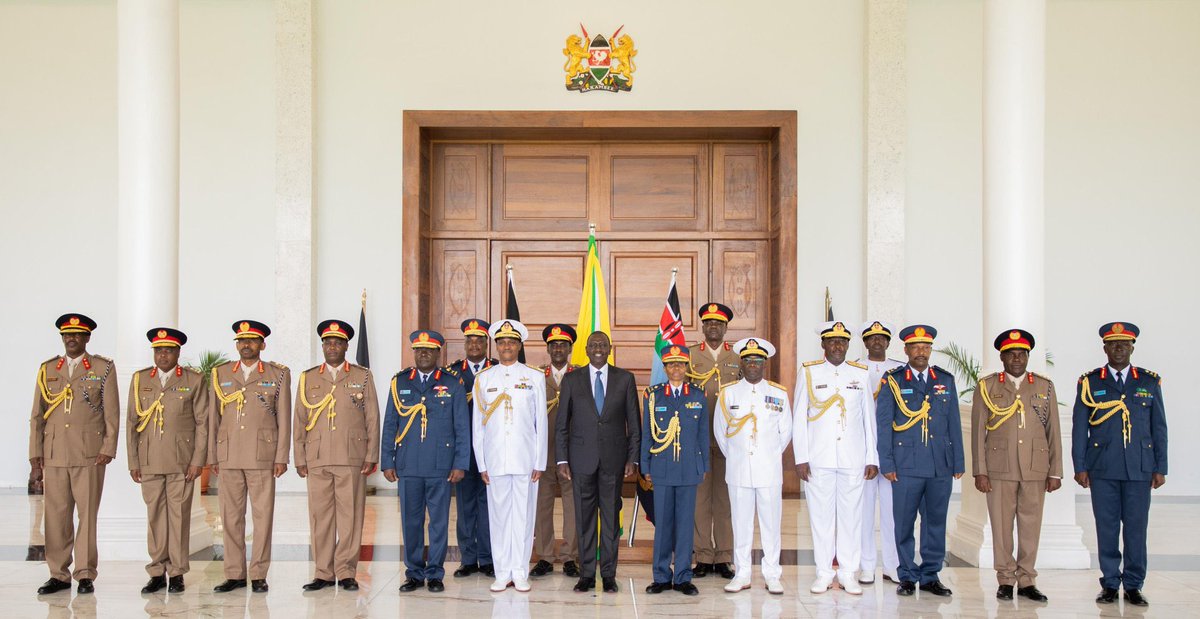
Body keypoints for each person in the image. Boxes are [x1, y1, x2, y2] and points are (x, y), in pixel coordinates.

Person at [1072, 322, 1167, 607]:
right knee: (1107, 526)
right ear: (1105, 348)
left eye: (1124, 344)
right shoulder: (1091, 382)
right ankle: (1111, 582)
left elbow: (1158, 427)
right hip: (1103, 467)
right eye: (1113, 344)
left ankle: (1134, 584)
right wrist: (1080, 465)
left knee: (1137, 528)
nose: (1119, 349)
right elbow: (1080, 428)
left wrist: (1160, 466)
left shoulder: (1148, 382)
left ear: (1132, 347)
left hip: (1139, 467)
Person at [30, 314, 119, 595]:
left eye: (78, 335)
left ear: (87, 338)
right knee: (56, 515)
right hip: (54, 453)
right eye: (67, 335)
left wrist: (108, 447)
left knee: (87, 514)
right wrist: (35, 456)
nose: (72, 339)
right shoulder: (48, 370)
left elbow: (112, 413)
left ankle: (85, 573)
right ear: (62, 338)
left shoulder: (102, 368)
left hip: (90, 454)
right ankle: (58, 574)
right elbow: (37, 416)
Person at [971, 329, 1062, 602]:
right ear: (1002, 356)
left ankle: (1027, 580)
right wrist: (980, 470)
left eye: (1022, 353)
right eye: (1011, 353)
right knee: (1001, 526)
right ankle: (1005, 578)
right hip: (1000, 468)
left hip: (1035, 467)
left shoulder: (1044, 386)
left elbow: (1053, 430)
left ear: (1028, 356)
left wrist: (1055, 470)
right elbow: (978, 433)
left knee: (1030, 525)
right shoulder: (988, 387)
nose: (1017, 359)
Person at [875, 324, 963, 597]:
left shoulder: (945, 380)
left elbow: (954, 422)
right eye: (916, 347)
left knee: (936, 522)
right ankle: (906, 575)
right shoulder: (894, 380)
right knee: (903, 523)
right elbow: (884, 424)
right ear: (906, 350)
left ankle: (930, 575)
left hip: (939, 465)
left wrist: (958, 462)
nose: (921, 352)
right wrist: (887, 463)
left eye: (926, 348)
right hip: (906, 465)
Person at [294, 319, 380, 592]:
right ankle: (322, 571)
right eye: (328, 343)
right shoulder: (308, 377)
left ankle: (346, 571)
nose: (332, 347)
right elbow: (299, 418)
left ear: (346, 346)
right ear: (323, 346)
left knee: (350, 516)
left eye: (338, 343)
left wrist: (371, 454)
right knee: (320, 517)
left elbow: (372, 418)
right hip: (317, 456)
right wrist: (299, 456)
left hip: (350, 456)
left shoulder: (362, 376)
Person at [381, 330, 470, 593]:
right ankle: (414, 572)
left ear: (438, 354)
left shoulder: (452, 384)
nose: (423, 354)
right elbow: (389, 424)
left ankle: (435, 573)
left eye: (429, 350)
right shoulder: (399, 383)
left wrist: (460, 463)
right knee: (411, 520)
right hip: (408, 465)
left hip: (441, 466)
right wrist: (388, 460)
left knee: (439, 522)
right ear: (414, 353)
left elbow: (461, 429)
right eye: (419, 350)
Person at [793, 321, 877, 595]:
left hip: (853, 457)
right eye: (832, 342)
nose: (838, 346)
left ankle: (848, 572)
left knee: (852, 517)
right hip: (819, 458)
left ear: (848, 346)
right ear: (823, 345)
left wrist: (871, 456)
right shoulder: (808, 373)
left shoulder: (860, 374)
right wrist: (801, 457)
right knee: (820, 517)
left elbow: (868, 419)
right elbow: (799, 418)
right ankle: (823, 572)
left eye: (842, 342)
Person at [209, 320, 292, 593]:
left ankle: (258, 573)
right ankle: (234, 573)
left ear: (262, 345)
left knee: (262, 516)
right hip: (229, 454)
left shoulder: (277, 374)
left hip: (262, 455)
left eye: (252, 340)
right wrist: (213, 455)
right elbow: (213, 419)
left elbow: (284, 417)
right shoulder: (220, 374)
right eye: (241, 340)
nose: (246, 345)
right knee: (230, 517)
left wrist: (281, 456)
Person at [555, 331, 640, 594]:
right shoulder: (571, 380)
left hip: (614, 462)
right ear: (586, 349)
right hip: (581, 461)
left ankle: (609, 574)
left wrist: (632, 458)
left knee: (611, 521)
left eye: (603, 344)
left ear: (610, 348)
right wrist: (562, 459)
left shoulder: (625, 379)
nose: (599, 348)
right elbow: (561, 426)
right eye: (594, 345)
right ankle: (587, 574)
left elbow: (634, 424)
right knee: (584, 519)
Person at [128, 327, 208, 594]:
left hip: (181, 461)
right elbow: (132, 423)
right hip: (149, 459)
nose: (163, 355)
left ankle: (177, 572)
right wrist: (133, 461)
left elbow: (202, 423)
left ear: (178, 352)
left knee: (179, 517)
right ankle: (156, 571)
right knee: (155, 517)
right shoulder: (140, 380)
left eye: (169, 350)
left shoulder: (193, 380)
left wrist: (198, 460)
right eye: (159, 350)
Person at [472, 320, 547, 592]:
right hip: (495, 459)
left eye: (511, 343)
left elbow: (541, 424)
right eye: (502, 342)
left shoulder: (534, 377)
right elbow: (478, 426)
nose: (506, 346)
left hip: (525, 459)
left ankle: (521, 571)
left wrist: (540, 461)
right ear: (496, 346)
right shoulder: (484, 379)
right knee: (499, 517)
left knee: (524, 517)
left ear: (519, 346)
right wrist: (482, 463)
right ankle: (502, 571)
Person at [714, 337, 791, 595]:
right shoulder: (729, 393)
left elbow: (785, 433)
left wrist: (765, 455)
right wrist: (738, 455)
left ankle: (772, 574)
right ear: (741, 363)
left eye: (758, 361)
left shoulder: (778, 393)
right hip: (737, 470)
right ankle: (742, 572)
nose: (753, 365)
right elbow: (721, 433)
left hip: (768, 470)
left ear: (765, 364)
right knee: (741, 523)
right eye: (748, 361)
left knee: (771, 524)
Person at [641, 345, 708, 596]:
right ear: (665, 368)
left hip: (689, 469)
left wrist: (703, 467)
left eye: (681, 363)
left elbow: (702, 434)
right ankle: (660, 576)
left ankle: (682, 577)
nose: (676, 368)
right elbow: (648, 433)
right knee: (664, 525)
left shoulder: (698, 395)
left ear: (687, 366)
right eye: (671, 364)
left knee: (684, 526)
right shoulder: (653, 395)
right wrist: (645, 466)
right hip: (662, 468)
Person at [687, 302, 739, 579]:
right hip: (699, 439)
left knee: (725, 500)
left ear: (726, 327)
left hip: (729, 441)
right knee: (700, 500)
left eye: (718, 323)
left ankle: (724, 557)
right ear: (703, 327)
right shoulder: (691, 355)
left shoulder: (738, 358)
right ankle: (703, 555)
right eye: (709, 323)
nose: (713, 327)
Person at [446, 318, 496, 578]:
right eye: (470, 340)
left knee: (488, 506)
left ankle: (487, 558)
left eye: (479, 340)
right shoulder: (452, 373)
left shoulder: (498, 370)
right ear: (464, 343)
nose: (474, 344)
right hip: (464, 452)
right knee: (465, 507)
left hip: (492, 451)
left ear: (487, 344)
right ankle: (468, 558)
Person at [530, 324, 579, 578]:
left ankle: (570, 556)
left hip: (573, 454)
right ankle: (545, 556)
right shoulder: (536, 376)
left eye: (563, 344)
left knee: (573, 506)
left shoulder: (580, 375)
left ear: (570, 348)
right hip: (543, 453)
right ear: (548, 349)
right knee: (542, 505)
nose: (558, 348)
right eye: (554, 345)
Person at [856, 320, 903, 585]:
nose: (877, 342)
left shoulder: (899, 370)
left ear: (887, 342)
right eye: (872, 339)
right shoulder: (855, 368)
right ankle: (866, 565)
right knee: (863, 510)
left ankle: (893, 565)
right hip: (862, 446)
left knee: (891, 510)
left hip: (890, 448)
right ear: (865, 343)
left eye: (881, 339)